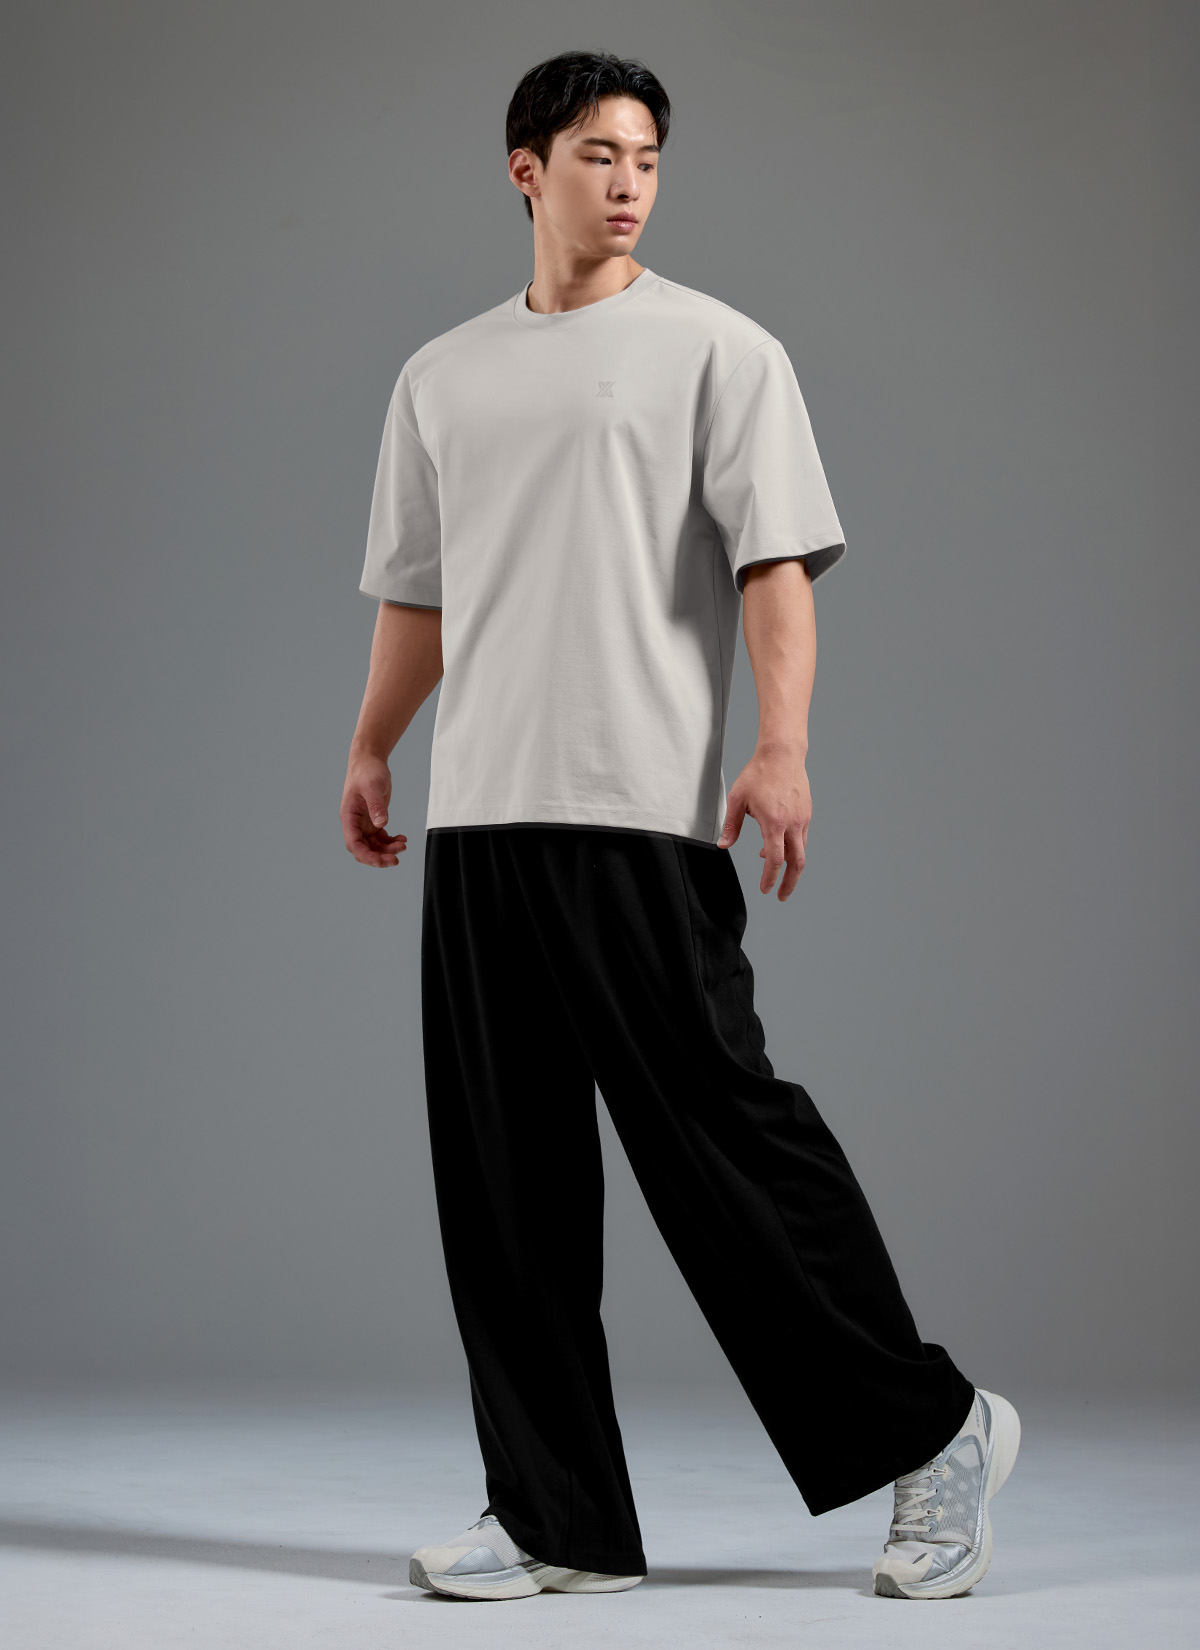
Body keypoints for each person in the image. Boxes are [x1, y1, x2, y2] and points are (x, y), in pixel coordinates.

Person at [340, 49, 1020, 1605]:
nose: (630, 180)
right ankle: (558, 1515)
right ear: (527, 169)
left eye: (647, 155)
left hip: (641, 810)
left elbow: (776, 565)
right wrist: (373, 745)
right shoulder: (441, 377)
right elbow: (421, 592)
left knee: (723, 1145)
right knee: (503, 1180)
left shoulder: (721, 351)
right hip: (482, 816)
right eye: (599, 153)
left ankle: (936, 1434)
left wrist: (781, 745)